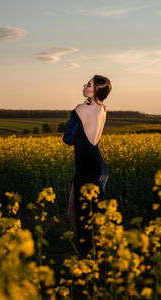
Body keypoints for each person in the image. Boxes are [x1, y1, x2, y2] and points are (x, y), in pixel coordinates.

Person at [63, 74, 112, 258]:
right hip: (99, 167)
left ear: (96, 90)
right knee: (91, 215)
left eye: (89, 84)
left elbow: (67, 139)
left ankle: (87, 259)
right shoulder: (103, 109)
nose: (85, 85)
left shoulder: (80, 109)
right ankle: (92, 255)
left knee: (81, 216)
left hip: (86, 168)